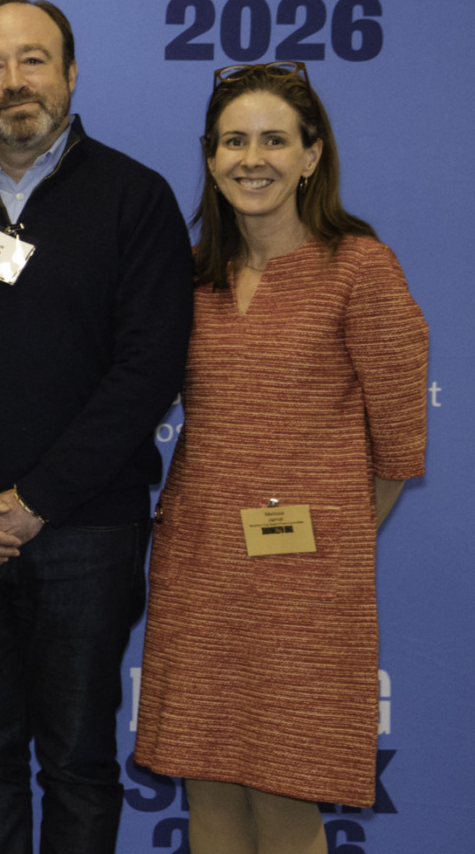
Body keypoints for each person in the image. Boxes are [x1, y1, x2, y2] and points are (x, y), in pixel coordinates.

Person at [0, 0, 193, 854]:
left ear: (70, 72)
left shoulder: (135, 199)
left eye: (33, 59)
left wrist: (38, 499)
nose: (13, 81)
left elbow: (148, 373)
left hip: (87, 530)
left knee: (77, 763)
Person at [136, 63, 427, 854]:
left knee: (286, 802)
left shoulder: (361, 268)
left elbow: (398, 450)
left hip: (305, 590)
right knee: (211, 798)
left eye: (273, 139)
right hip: (199, 571)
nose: (251, 158)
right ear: (209, 156)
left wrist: (321, 545)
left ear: (311, 155)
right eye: (234, 140)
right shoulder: (190, 275)